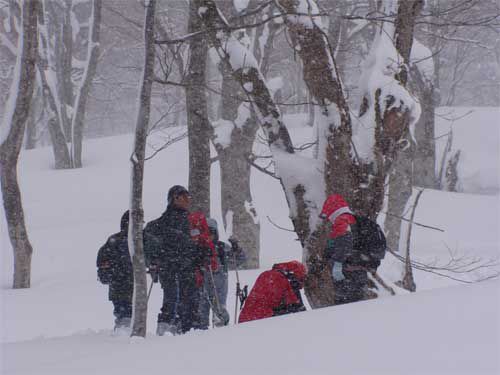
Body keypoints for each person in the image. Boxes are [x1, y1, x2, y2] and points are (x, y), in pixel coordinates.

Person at [144, 185, 200, 336]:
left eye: (188, 197)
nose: (187, 200)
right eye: (184, 197)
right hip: (171, 267)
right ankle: (170, 329)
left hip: (187, 268)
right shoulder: (164, 222)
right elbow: (150, 240)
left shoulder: (191, 221)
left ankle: (184, 328)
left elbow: (196, 244)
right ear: (174, 199)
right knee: (174, 298)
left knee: (188, 300)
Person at [96, 210, 159, 332]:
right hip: (124, 285)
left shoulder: (117, 240)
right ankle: (124, 334)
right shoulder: (140, 239)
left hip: (124, 285)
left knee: (125, 313)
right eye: (139, 222)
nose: (141, 225)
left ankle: (124, 333)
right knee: (126, 312)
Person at [319, 193, 370, 305]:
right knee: (359, 304)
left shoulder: (341, 221)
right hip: (358, 270)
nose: (327, 218)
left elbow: (344, 243)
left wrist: (337, 264)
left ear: (332, 210)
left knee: (345, 306)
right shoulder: (352, 220)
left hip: (347, 273)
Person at [238, 260, 306, 323]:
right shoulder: (285, 280)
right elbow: (298, 308)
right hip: (262, 321)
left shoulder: (265, 274)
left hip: (244, 319)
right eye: (301, 280)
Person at [206, 218, 245, 326]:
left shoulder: (221, 247)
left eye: (211, 232)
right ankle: (200, 335)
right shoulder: (199, 247)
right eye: (206, 232)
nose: (209, 236)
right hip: (202, 286)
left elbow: (240, 259)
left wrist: (236, 249)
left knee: (220, 312)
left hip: (220, 285)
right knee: (201, 313)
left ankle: (221, 336)